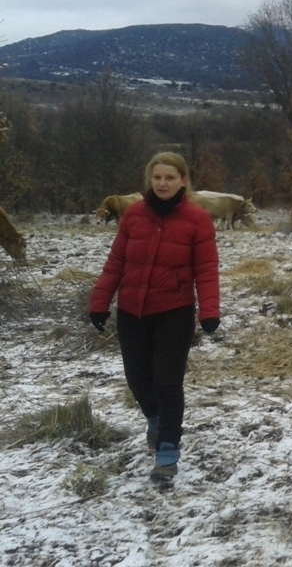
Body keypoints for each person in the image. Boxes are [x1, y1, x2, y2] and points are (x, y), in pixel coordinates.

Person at [89, 151, 220, 481]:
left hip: (174, 312)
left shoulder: (197, 219)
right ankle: (156, 421)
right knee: (137, 379)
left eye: (170, 177)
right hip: (132, 311)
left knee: (167, 381)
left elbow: (206, 270)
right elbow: (116, 263)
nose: (163, 183)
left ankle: (167, 451)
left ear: (183, 181)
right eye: (157, 177)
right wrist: (100, 302)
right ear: (150, 180)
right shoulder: (133, 215)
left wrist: (209, 311)